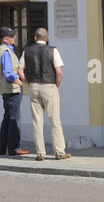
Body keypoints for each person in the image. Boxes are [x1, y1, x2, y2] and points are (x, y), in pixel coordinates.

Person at [21, 27, 71, 161]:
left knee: (37, 121)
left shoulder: (27, 51)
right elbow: (59, 72)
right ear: (47, 38)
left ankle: (40, 153)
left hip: (34, 86)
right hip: (49, 85)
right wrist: (56, 85)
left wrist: (27, 82)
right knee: (55, 120)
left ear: (35, 38)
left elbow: (20, 70)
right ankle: (59, 152)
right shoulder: (52, 50)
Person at [0, 27, 29, 157]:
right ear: (5, 39)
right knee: (15, 119)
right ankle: (14, 148)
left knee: (8, 119)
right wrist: (17, 81)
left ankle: (2, 148)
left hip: (8, 90)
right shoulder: (5, 51)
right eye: (12, 36)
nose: (14, 38)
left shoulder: (5, 50)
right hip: (12, 90)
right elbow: (7, 71)